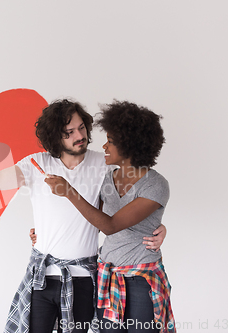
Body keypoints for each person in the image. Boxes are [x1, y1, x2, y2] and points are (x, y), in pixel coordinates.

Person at [0, 99, 167, 333]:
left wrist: (159, 227)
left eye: (81, 128)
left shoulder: (104, 164)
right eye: (68, 132)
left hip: (83, 278)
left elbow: (130, 199)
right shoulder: (36, 163)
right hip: (42, 276)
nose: (79, 135)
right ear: (54, 136)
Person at [44, 100, 175, 332]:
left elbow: (111, 225)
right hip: (108, 275)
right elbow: (92, 219)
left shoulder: (156, 185)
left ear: (129, 146)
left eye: (111, 142)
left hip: (141, 280)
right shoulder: (108, 179)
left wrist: (69, 192)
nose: (104, 146)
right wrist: (45, 233)